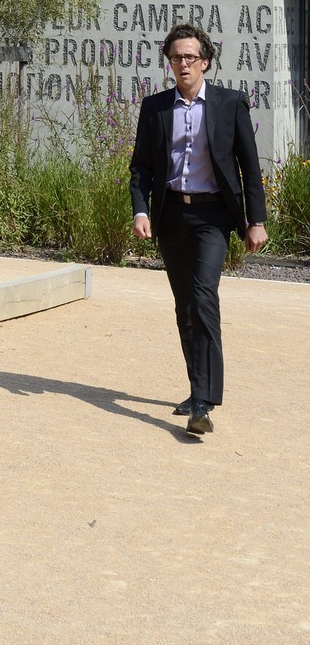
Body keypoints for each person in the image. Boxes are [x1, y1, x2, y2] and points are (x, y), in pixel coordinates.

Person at [129, 23, 267, 437]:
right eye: (176, 57)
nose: (183, 63)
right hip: (172, 216)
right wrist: (141, 211)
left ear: (205, 61)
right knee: (185, 307)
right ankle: (196, 389)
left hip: (212, 218)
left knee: (204, 296)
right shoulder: (155, 108)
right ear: (169, 63)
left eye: (190, 57)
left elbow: (249, 165)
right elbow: (141, 168)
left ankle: (204, 402)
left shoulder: (229, 103)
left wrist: (255, 220)